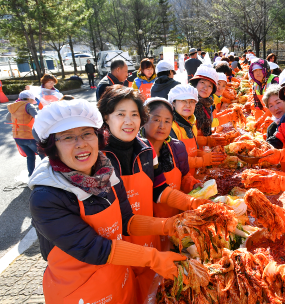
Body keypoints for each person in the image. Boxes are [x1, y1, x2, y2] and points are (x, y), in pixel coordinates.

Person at [28, 99, 188, 304]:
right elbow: (93, 248)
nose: (81, 143)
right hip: (80, 293)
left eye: (87, 133)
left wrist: (171, 226)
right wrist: (153, 258)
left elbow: (127, 221)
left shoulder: (106, 172)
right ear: (52, 146)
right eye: (68, 137)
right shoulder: (47, 196)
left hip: (119, 279)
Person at [97, 86, 212, 302]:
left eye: (134, 115)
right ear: (106, 117)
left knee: (149, 292)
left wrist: (194, 203)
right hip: (112, 251)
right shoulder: (97, 158)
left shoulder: (146, 150)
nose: (129, 121)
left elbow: (159, 190)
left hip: (147, 238)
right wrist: (170, 225)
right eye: (121, 114)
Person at [141, 97, 202, 223]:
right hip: (148, 224)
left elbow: (184, 177)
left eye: (167, 121)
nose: (162, 126)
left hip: (178, 218)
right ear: (143, 121)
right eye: (156, 120)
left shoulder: (177, 148)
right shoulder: (136, 153)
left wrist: (193, 185)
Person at [168, 84, 226, 175]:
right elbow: (174, 159)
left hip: (189, 176)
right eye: (183, 101)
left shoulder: (191, 124)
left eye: (192, 101)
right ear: (173, 103)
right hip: (176, 178)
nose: (188, 105)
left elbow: (192, 150)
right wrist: (202, 160)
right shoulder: (170, 127)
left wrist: (206, 155)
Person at [190, 65, 239, 138]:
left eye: (210, 86)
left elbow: (210, 118)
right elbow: (210, 123)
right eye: (202, 82)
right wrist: (228, 116)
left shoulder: (206, 102)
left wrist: (227, 112)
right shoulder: (191, 103)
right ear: (195, 83)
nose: (205, 88)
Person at [6, 90, 43, 177]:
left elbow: (8, 118)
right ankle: (46, 175)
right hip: (29, 135)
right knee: (43, 155)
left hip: (17, 136)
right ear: (30, 98)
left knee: (30, 156)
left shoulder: (13, 106)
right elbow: (37, 117)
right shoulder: (28, 105)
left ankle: (31, 176)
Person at [249, 59, 279, 128]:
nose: (258, 73)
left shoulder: (275, 80)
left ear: (266, 70)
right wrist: (257, 127)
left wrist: (261, 120)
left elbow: (276, 105)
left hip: (279, 117)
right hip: (268, 116)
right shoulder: (255, 84)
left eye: (260, 70)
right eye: (255, 71)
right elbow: (258, 107)